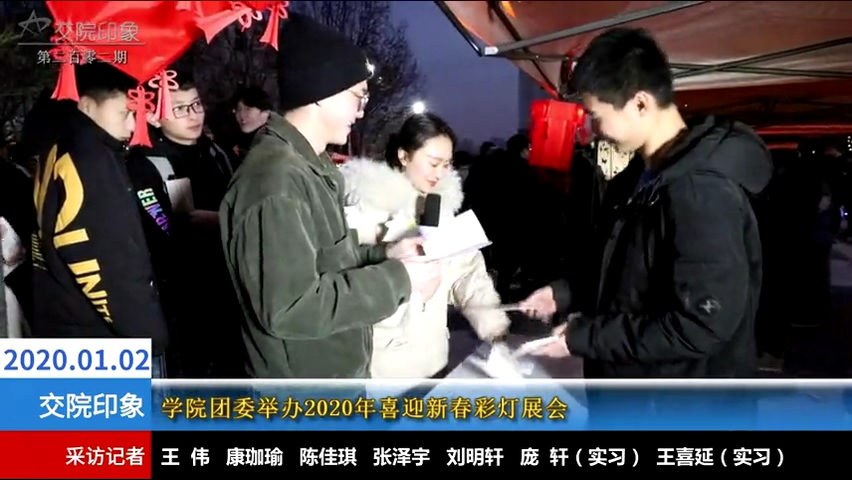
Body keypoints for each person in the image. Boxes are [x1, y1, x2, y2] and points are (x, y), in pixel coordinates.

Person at [521, 28, 772, 381]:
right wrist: (562, 294)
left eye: (597, 115)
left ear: (640, 103)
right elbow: (623, 273)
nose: (595, 129)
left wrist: (586, 338)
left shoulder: (701, 191)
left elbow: (701, 324)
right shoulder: (638, 176)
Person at [219, 13, 441, 379]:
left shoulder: (311, 167)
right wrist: (399, 280)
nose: (362, 110)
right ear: (323, 94)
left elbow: (326, 260)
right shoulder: (275, 183)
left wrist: (386, 255)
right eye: (358, 95)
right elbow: (291, 308)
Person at [339, 113, 510, 378]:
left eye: (446, 165)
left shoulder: (440, 210)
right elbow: (344, 279)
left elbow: (466, 274)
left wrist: (494, 326)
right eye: (433, 163)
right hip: (383, 364)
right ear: (404, 156)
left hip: (434, 359)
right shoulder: (366, 210)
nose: (439, 173)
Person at [31, 62, 170, 375]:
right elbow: (110, 258)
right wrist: (150, 335)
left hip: (64, 326)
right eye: (125, 113)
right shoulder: (91, 160)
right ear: (86, 105)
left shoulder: (58, 145)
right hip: (104, 343)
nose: (133, 126)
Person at [126, 70, 242, 377]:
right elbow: (163, 231)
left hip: (230, 284)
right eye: (179, 108)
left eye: (196, 104)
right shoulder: (145, 164)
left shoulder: (217, 152)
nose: (193, 115)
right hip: (182, 299)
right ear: (153, 117)